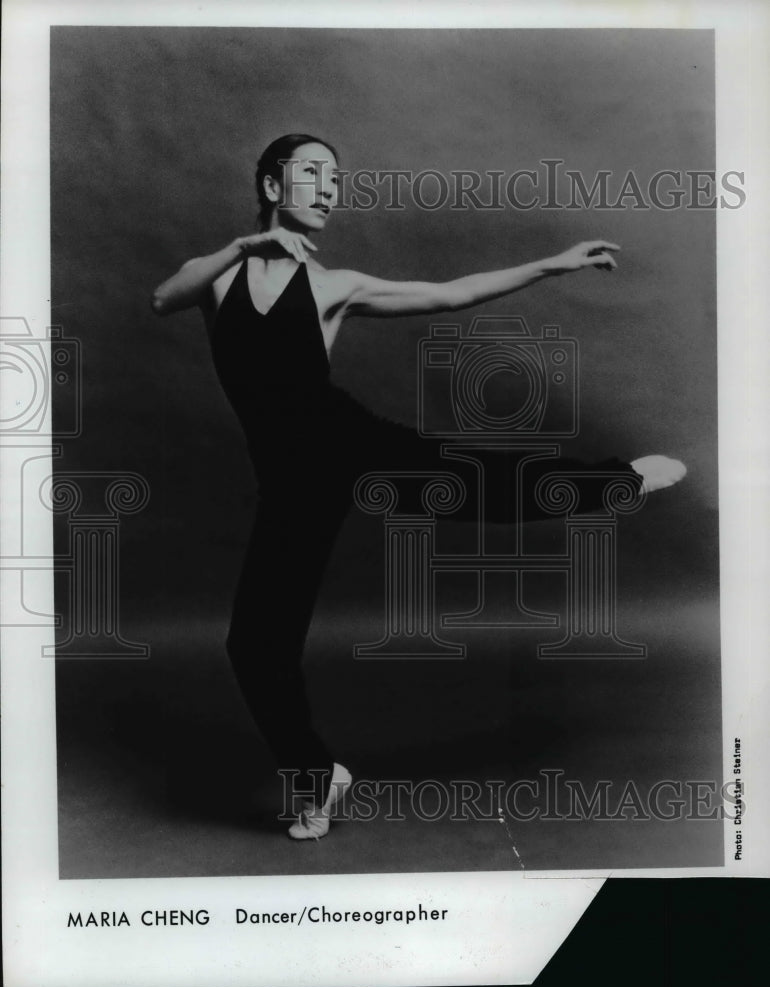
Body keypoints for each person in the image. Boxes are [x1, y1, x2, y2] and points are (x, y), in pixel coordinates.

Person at [151, 133, 686, 841]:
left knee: (484, 488)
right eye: (313, 174)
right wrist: (242, 249)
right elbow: (164, 297)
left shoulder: (335, 286)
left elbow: (451, 292)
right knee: (253, 644)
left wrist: (553, 265)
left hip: (348, 444)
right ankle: (316, 776)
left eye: (337, 178)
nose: (330, 188)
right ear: (274, 186)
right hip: (291, 485)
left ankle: (621, 484)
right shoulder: (216, 277)